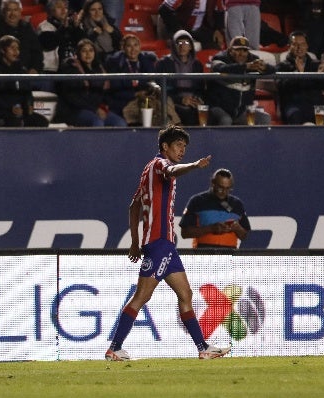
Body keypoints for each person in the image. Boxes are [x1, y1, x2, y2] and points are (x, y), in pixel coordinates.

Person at [104, 124, 231, 362]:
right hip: (159, 242)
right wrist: (194, 165)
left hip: (166, 245)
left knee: (185, 293)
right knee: (141, 296)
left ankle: (203, 348)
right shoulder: (159, 164)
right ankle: (115, 347)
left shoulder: (147, 171)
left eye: (185, 146)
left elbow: (133, 206)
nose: (183, 150)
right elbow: (171, 171)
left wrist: (134, 242)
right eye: (178, 145)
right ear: (165, 147)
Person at [56, 38, 127, 127]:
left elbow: (104, 94)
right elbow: (73, 97)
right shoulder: (71, 68)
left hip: (96, 108)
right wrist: (95, 109)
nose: (88, 54)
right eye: (84, 51)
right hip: (76, 110)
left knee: (120, 123)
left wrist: (105, 105)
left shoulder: (99, 69)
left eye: (91, 50)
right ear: (78, 53)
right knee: (97, 122)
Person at [206, 35, 275, 125]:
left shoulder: (253, 59)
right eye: (237, 50)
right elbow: (220, 68)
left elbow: (273, 69)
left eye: (245, 50)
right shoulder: (220, 57)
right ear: (230, 50)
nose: (241, 53)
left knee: (264, 118)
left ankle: (258, 140)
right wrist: (246, 66)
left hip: (241, 111)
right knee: (226, 120)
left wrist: (265, 68)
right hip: (220, 108)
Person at [180, 168, 250, 248]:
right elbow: (185, 233)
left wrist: (237, 228)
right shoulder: (197, 201)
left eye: (228, 189)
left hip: (229, 257)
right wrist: (211, 229)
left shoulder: (237, 204)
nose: (224, 192)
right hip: (203, 256)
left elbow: (244, 236)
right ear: (213, 183)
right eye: (220, 188)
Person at [0, 35, 49, 127]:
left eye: (17, 48)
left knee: (42, 122)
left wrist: (29, 105)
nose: (16, 52)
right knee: (15, 122)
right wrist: (10, 108)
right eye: (12, 48)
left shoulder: (21, 69)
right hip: (3, 111)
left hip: (21, 110)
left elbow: (27, 92)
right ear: (2, 50)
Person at [277, 31, 324, 124]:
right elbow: (281, 87)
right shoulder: (282, 66)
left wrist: (323, 75)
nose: (299, 48)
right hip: (294, 105)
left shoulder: (316, 64)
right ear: (289, 46)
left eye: (302, 44)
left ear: (307, 46)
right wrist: (298, 73)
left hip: (316, 105)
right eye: (295, 44)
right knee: (295, 116)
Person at [155, 29, 206, 126]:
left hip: (192, 101)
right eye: (178, 43)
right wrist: (181, 99)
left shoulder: (197, 64)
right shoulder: (163, 63)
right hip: (173, 102)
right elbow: (161, 90)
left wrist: (197, 99)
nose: (182, 46)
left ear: (191, 46)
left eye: (186, 42)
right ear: (174, 46)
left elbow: (201, 88)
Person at [104, 33, 158, 118]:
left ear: (140, 46)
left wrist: (146, 93)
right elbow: (115, 90)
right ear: (123, 48)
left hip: (145, 99)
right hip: (124, 102)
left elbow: (153, 82)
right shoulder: (116, 64)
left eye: (135, 45)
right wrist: (135, 94)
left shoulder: (147, 62)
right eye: (129, 46)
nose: (133, 49)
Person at [0, 0, 44, 75]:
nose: (13, 14)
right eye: (9, 10)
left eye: (15, 10)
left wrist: (34, 68)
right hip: (3, 73)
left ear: (20, 11)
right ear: (2, 12)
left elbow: (37, 52)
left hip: (27, 72)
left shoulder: (27, 27)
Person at [158, 0, 225, 50]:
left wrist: (218, 30)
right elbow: (164, 9)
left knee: (217, 44)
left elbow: (219, 12)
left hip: (200, 29)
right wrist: (179, 32)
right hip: (178, 28)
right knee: (185, 47)